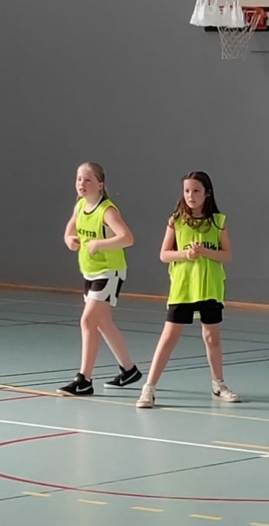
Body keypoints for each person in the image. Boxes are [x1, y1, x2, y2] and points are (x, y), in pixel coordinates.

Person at [136, 171, 239, 408]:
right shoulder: (176, 221)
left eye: (196, 191)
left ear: (207, 193)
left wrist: (204, 252)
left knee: (212, 337)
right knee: (169, 336)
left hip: (210, 287)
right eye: (187, 191)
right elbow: (164, 254)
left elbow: (227, 254)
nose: (190, 195)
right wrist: (186, 253)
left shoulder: (218, 222)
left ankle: (218, 384)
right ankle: (148, 388)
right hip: (183, 287)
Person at [57, 162, 141, 397]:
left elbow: (127, 238)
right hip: (89, 272)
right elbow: (70, 229)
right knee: (103, 323)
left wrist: (100, 243)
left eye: (87, 179)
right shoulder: (80, 206)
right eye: (78, 179)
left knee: (87, 322)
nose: (81, 184)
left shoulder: (107, 211)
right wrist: (69, 239)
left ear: (100, 184)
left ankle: (84, 379)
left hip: (109, 272)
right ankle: (129, 370)